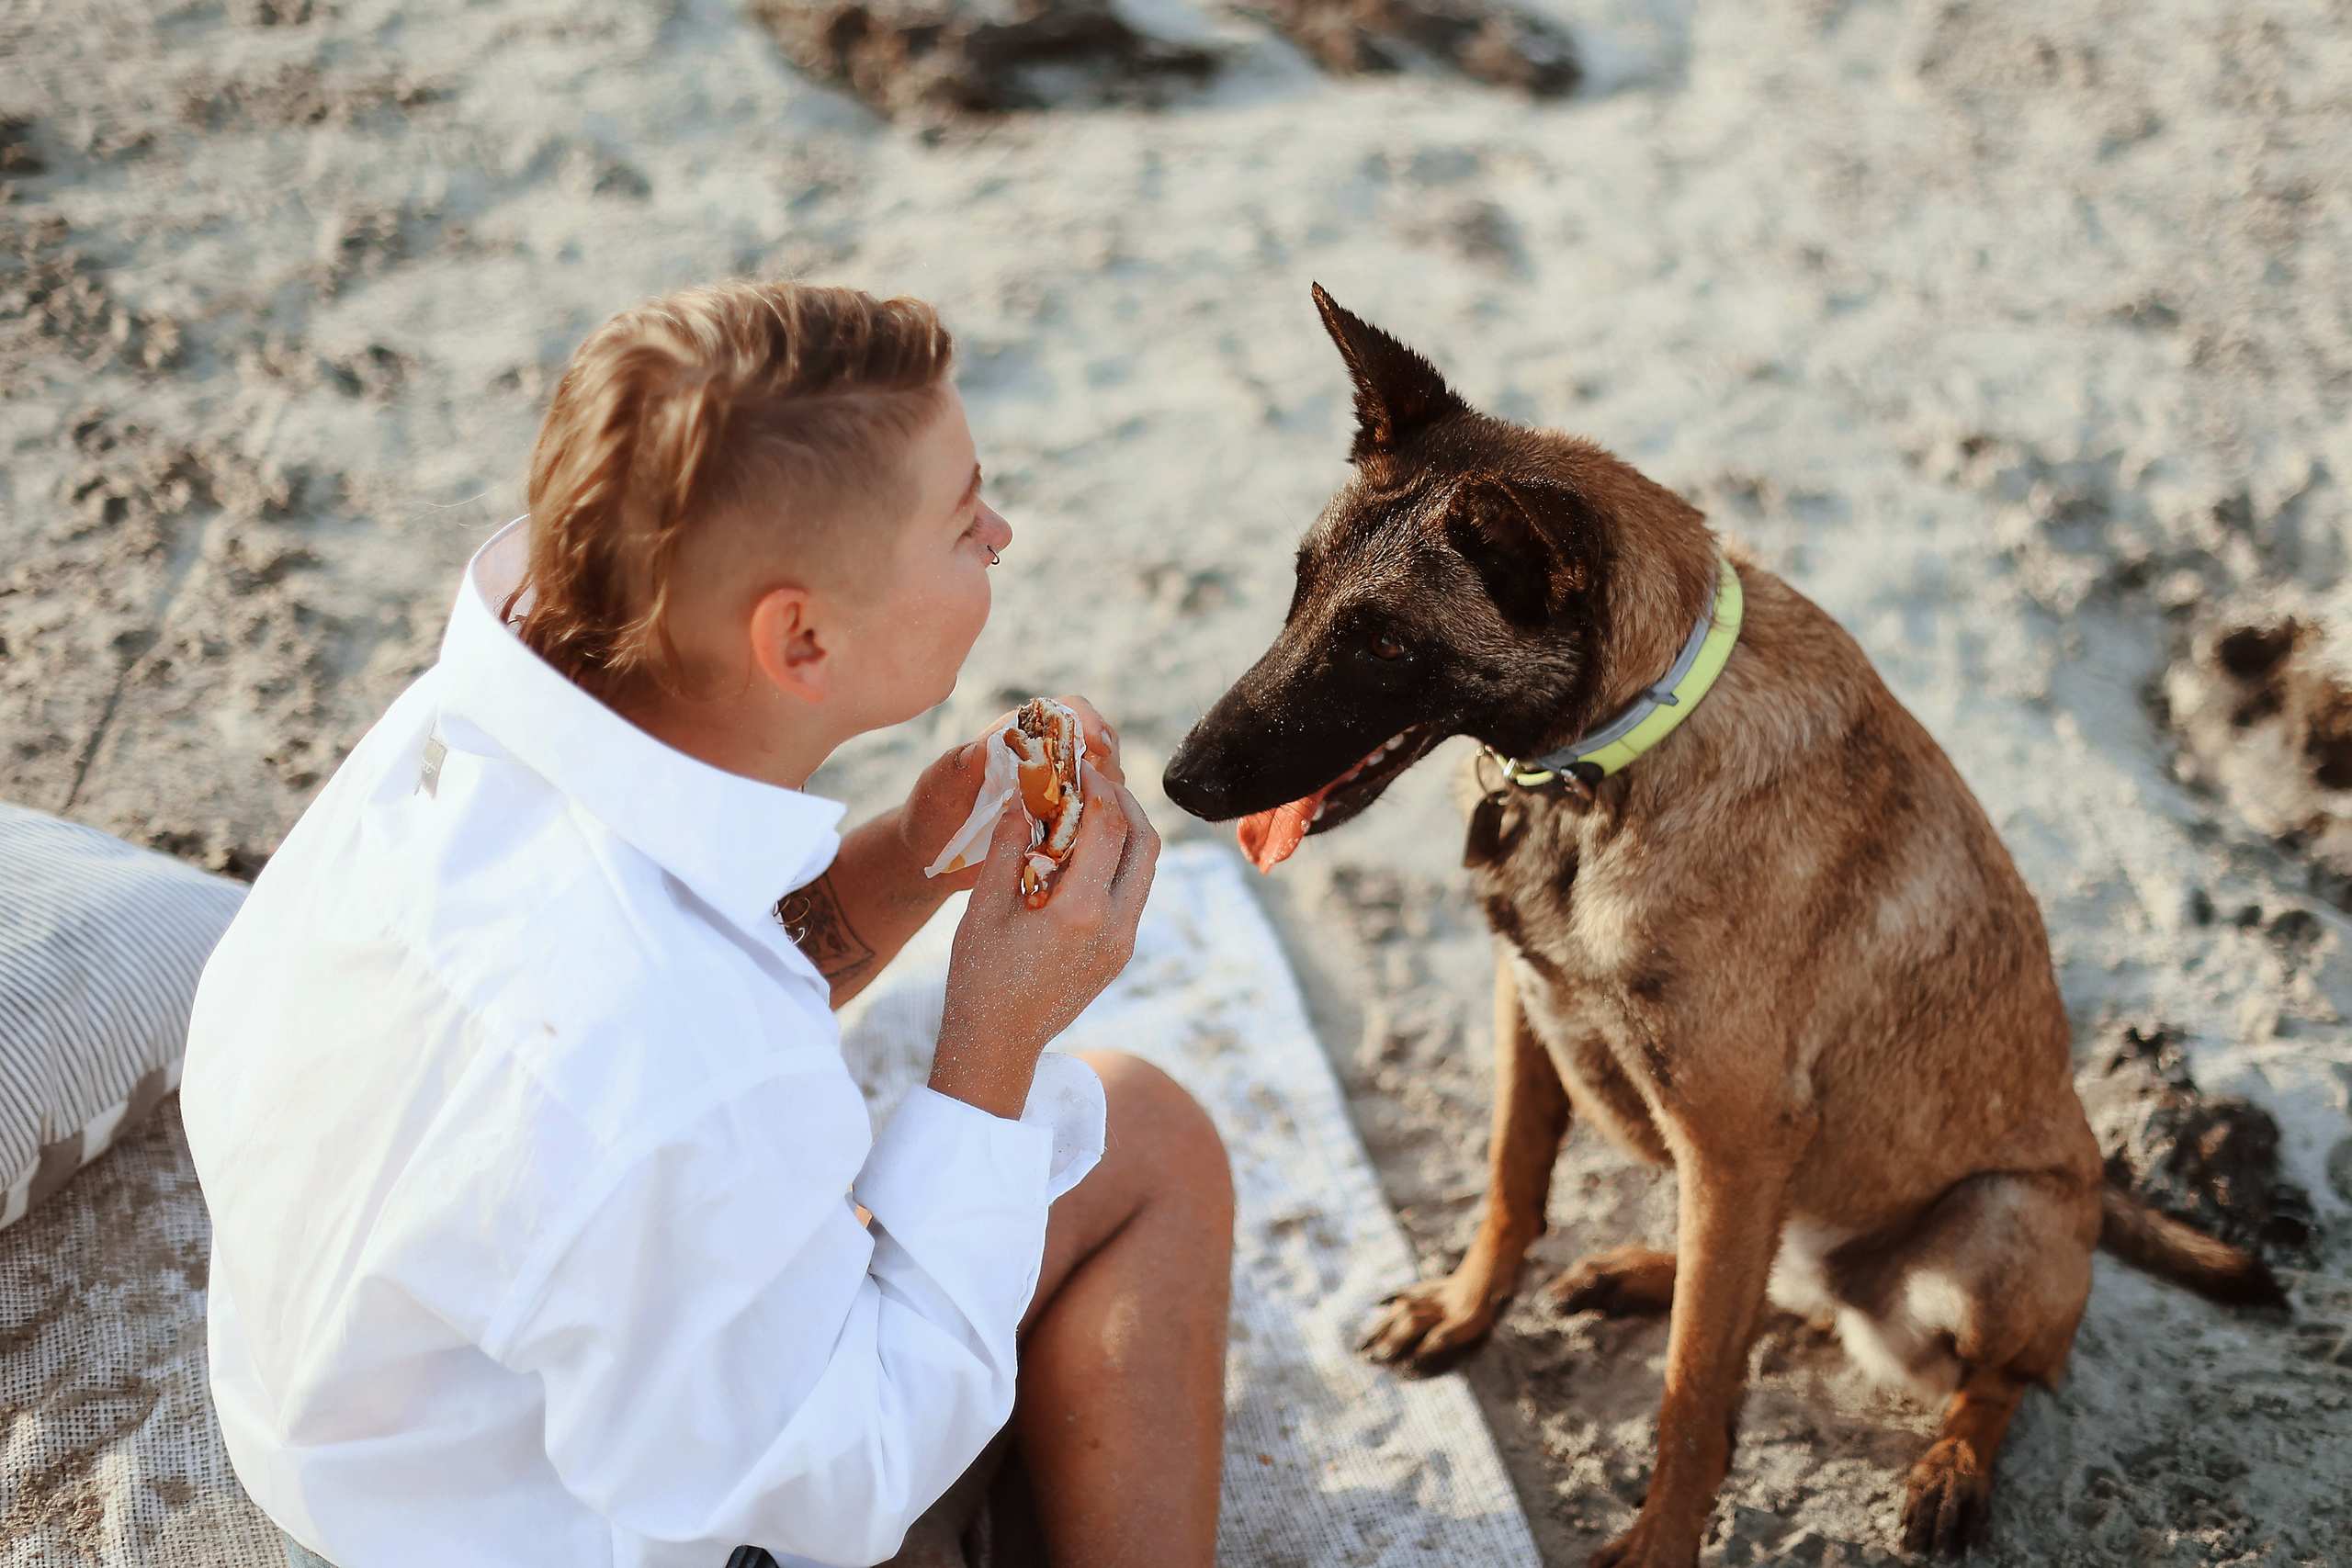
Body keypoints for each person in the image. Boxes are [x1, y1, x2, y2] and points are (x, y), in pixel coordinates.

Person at [181, 281, 1236, 1568]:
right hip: (604, 1529)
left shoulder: (458, 742)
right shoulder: (686, 1070)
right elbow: (851, 1474)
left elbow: (690, 993)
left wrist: (911, 859)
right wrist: (996, 1042)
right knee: (1147, 1136)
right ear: (802, 639)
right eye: (966, 519)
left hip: (390, 1441)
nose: (1002, 533)